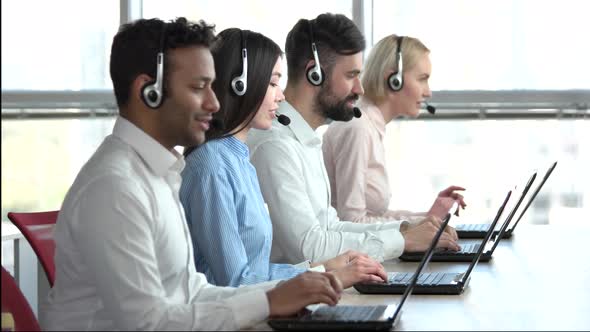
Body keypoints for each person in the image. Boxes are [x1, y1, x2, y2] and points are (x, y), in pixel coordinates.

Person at [41, 18, 344, 331]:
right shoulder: (115, 188)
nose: (214, 103)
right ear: (149, 91)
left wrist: (286, 292)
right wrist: (269, 302)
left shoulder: (158, 174)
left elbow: (192, 293)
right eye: (199, 88)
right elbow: (149, 324)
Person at [246, 14, 461, 266]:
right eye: (351, 75)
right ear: (314, 74)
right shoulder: (276, 146)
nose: (359, 88)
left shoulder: (305, 139)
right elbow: (309, 249)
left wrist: (404, 229)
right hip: (293, 296)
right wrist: (402, 242)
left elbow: (331, 226)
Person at [180, 28, 386, 289]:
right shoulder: (212, 166)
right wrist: (329, 276)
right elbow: (235, 282)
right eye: (273, 83)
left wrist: (324, 267)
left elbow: (254, 271)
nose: (281, 95)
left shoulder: (239, 160)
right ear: (241, 85)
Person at [322, 34, 467, 224]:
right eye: (422, 79)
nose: (428, 92)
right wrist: (418, 226)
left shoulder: (370, 126)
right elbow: (352, 222)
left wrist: (428, 218)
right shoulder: (358, 128)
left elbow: (373, 218)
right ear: (393, 79)